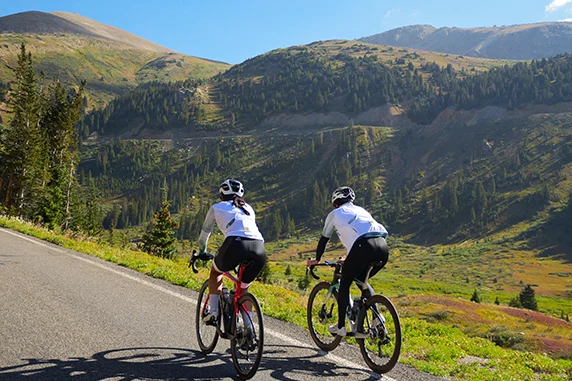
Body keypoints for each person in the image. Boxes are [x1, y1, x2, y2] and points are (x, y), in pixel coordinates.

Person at [306, 186, 389, 337]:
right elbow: (367, 234)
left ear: (335, 202)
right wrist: (351, 257)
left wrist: (317, 260)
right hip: (382, 247)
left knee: (345, 282)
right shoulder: (361, 210)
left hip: (363, 247)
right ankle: (377, 318)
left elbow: (324, 239)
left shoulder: (335, 214)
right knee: (362, 281)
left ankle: (340, 327)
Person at [198, 179, 266, 325]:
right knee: (243, 289)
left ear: (221, 194)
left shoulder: (217, 207)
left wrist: (202, 251)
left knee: (216, 272)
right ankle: (249, 328)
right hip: (259, 247)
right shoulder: (248, 208)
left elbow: (204, 234)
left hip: (235, 244)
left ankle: (214, 312)